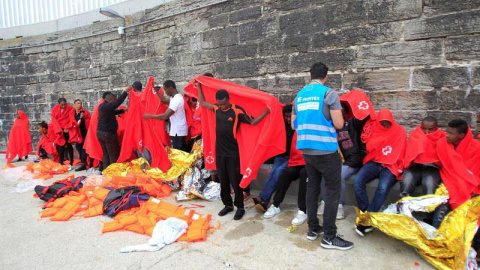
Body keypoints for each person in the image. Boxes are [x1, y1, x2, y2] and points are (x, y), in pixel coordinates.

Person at [292, 62, 354, 250]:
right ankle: (329, 236)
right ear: (326, 77)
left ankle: (313, 229)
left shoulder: (299, 96)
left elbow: (294, 125)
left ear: (310, 76)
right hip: (326, 151)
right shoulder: (329, 94)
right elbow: (338, 123)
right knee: (333, 192)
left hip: (307, 150)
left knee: (313, 189)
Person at [195, 81, 270, 220]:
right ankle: (228, 205)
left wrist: (267, 111)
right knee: (223, 181)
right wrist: (199, 86)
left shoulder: (237, 111)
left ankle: (240, 207)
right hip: (219, 152)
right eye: (220, 103)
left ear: (228, 99)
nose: (222, 106)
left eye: (224, 103)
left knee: (236, 181)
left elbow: (253, 122)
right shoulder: (216, 108)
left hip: (233, 153)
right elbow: (203, 102)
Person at [353, 108, 407, 236]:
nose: (385, 125)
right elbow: (370, 146)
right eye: (382, 122)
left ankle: (367, 221)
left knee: (382, 188)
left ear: (392, 121)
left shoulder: (399, 131)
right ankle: (366, 211)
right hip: (375, 161)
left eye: (387, 122)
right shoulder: (374, 129)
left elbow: (401, 149)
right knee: (357, 181)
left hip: (390, 164)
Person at [318, 102, 368, 220]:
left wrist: (356, 102)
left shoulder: (351, 123)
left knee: (339, 176)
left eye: (341, 111)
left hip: (352, 161)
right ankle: (324, 202)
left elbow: (364, 117)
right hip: (335, 160)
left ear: (345, 113)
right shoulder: (330, 127)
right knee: (324, 173)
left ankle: (339, 205)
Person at [252, 105, 295, 213]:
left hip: (292, 157)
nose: (288, 119)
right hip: (281, 156)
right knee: (272, 173)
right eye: (286, 117)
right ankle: (264, 202)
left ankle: (263, 198)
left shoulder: (298, 127)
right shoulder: (280, 126)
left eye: (290, 117)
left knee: (279, 172)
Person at [262, 130, 309, 225]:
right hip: (297, 162)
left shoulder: (314, 125)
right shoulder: (297, 127)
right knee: (286, 173)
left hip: (311, 162)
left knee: (305, 173)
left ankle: (303, 210)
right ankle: (276, 204)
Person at [400, 116, 445, 197]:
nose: (426, 132)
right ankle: (404, 205)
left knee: (429, 184)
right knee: (406, 182)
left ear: (436, 128)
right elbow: (410, 155)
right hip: (415, 165)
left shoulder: (442, 137)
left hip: (433, 167)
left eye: (430, 129)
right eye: (424, 128)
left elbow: (445, 157)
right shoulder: (415, 134)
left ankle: (428, 208)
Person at [144, 80, 188, 151]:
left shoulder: (176, 100)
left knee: (179, 155)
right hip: (176, 131)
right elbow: (164, 100)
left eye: (165, 90)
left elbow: (165, 116)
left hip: (178, 132)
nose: (165, 92)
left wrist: (149, 116)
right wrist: (155, 91)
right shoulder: (174, 98)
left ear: (170, 88)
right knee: (177, 154)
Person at [97, 89, 129, 169]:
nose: (115, 102)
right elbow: (117, 103)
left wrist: (122, 110)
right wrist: (126, 92)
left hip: (100, 133)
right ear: (110, 100)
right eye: (114, 100)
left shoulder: (102, 106)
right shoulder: (107, 106)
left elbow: (113, 112)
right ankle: (113, 172)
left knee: (106, 153)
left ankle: (106, 170)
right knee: (112, 154)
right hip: (108, 134)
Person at [51, 98, 74, 165]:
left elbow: (71, 119)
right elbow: (54, 119)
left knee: (69, 145)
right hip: (58, 129)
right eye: (62, 104)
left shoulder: (70, 108)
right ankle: (61, 160)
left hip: (67, 129)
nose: (63, 106)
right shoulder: (55, 109)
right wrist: (58, 128)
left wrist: (67, 127)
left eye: (64, 104)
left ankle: (71, 160)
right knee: (60, 145)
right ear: (59, 104)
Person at [71, 99, 92, 171]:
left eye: (80, 103)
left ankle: (83, 163)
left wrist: (83, 117)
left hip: (85, 131)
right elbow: (71, 121)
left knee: (84, 147)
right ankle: (83, 161)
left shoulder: (84, 112)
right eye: (78, 103)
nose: (79, 105)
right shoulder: (72, 112)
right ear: (74, 105)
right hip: (77, 132)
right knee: (78, 147)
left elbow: (89, 119)